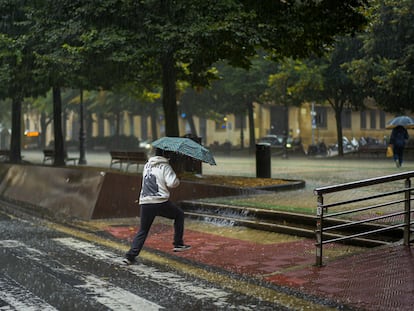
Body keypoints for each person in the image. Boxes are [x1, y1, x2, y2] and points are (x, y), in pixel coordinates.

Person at [123, 148, 191, 265]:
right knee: (179, 215)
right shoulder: (165, 167)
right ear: (166, 155)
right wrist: (177, 177)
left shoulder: (147, 165)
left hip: (145, 202)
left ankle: (129, 256)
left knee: (143, 230)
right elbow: (172, 183)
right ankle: (178, 244)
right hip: (160, 201)